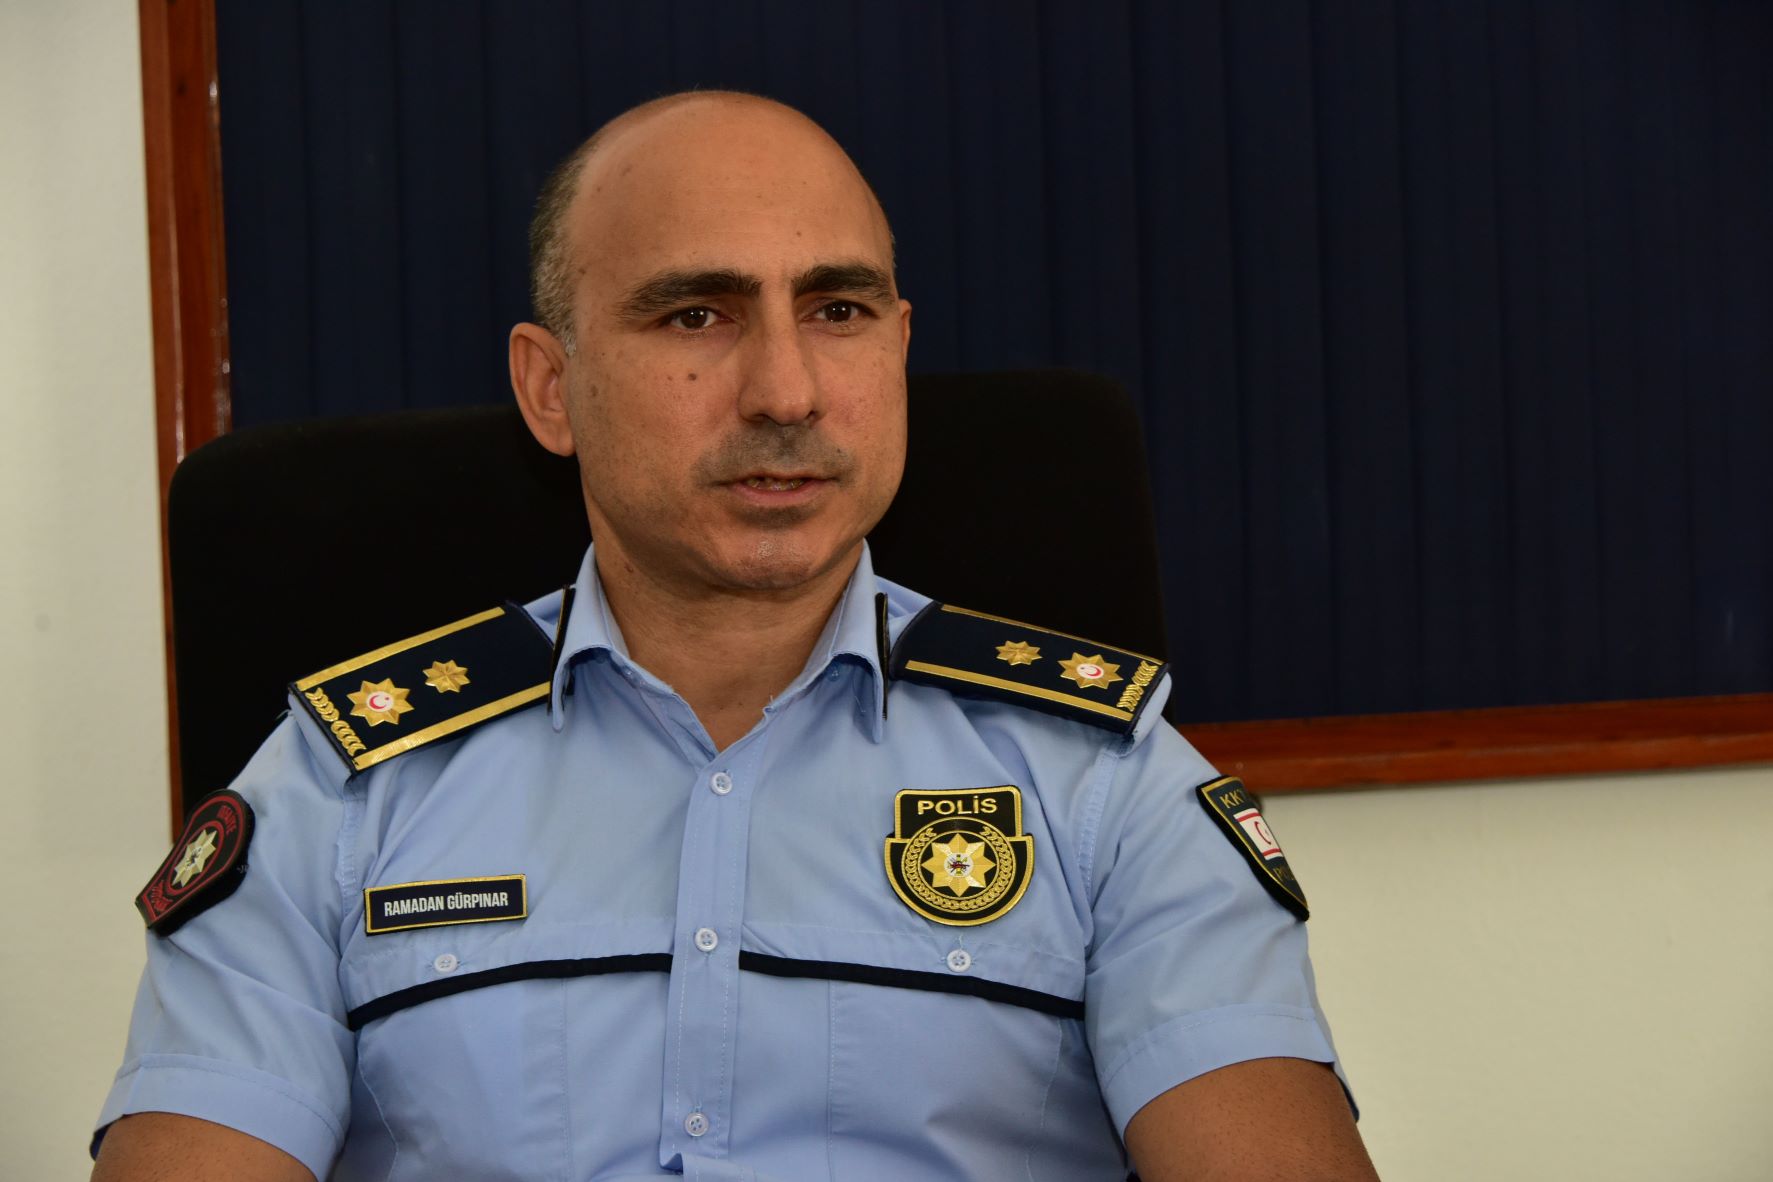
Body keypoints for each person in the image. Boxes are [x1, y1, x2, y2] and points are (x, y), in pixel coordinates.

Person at [93, 92, 1377, 1181]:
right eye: (695, 316)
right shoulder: (339, 793)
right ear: (551, 388)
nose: (786, 391)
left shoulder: (1106, 785)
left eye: (838, 311)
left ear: (899, 350)